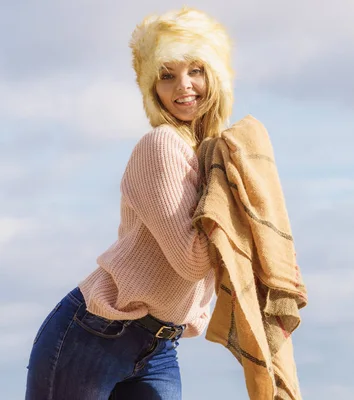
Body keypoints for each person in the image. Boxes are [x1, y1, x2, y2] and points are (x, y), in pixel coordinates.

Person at [25, 7, 234, 399]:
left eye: (196, 70)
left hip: (160, 346)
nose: (183, 86)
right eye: (166, 75)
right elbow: (192, 260)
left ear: (216, 74)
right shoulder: (162, 146)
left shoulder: (214, 157)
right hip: (94, 334)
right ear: (151, 87)